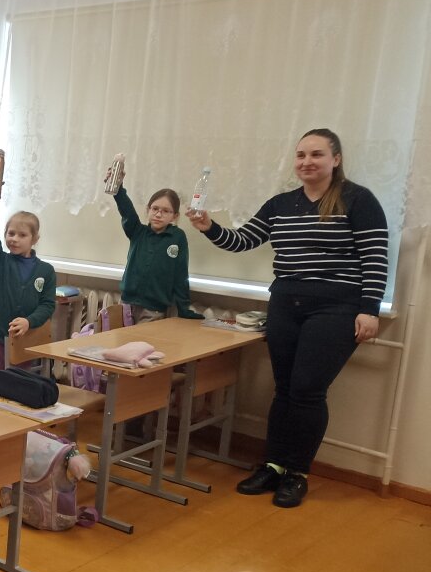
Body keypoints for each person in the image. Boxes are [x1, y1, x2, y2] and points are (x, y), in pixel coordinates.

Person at [186, 128, 388, 509]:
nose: (307, 162)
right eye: (301, 155)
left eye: (316, 154)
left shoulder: (358, 200)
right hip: (285, 304)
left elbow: (375, 257)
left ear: (335, 159)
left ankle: (297, 473)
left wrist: (370, 309)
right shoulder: (281, 203)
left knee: (308, 391)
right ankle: (273, 466)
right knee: (283, 388)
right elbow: (243, 240)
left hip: (336, 308)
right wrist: (209, 227)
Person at [0, 174, 57, 385]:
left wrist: (29, 321)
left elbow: (48, 305)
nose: (14, 239)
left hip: (25, 337)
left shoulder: (46, 271)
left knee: (18, 385)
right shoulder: (0, 261)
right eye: (10, 233)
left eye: (22, 235)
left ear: (35, 239)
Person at [108, 170, 203, 323]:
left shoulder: (177, 237)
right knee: (122, 338)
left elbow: (180, 273)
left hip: (154, 309)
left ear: (175, 216)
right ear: (148, 209)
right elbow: (127, 211)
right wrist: (118, 188)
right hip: (127, 305)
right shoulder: (137, 231)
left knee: (144, 339)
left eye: (166, 211)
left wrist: (184, 308)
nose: (158, 214)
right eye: (155, 209)